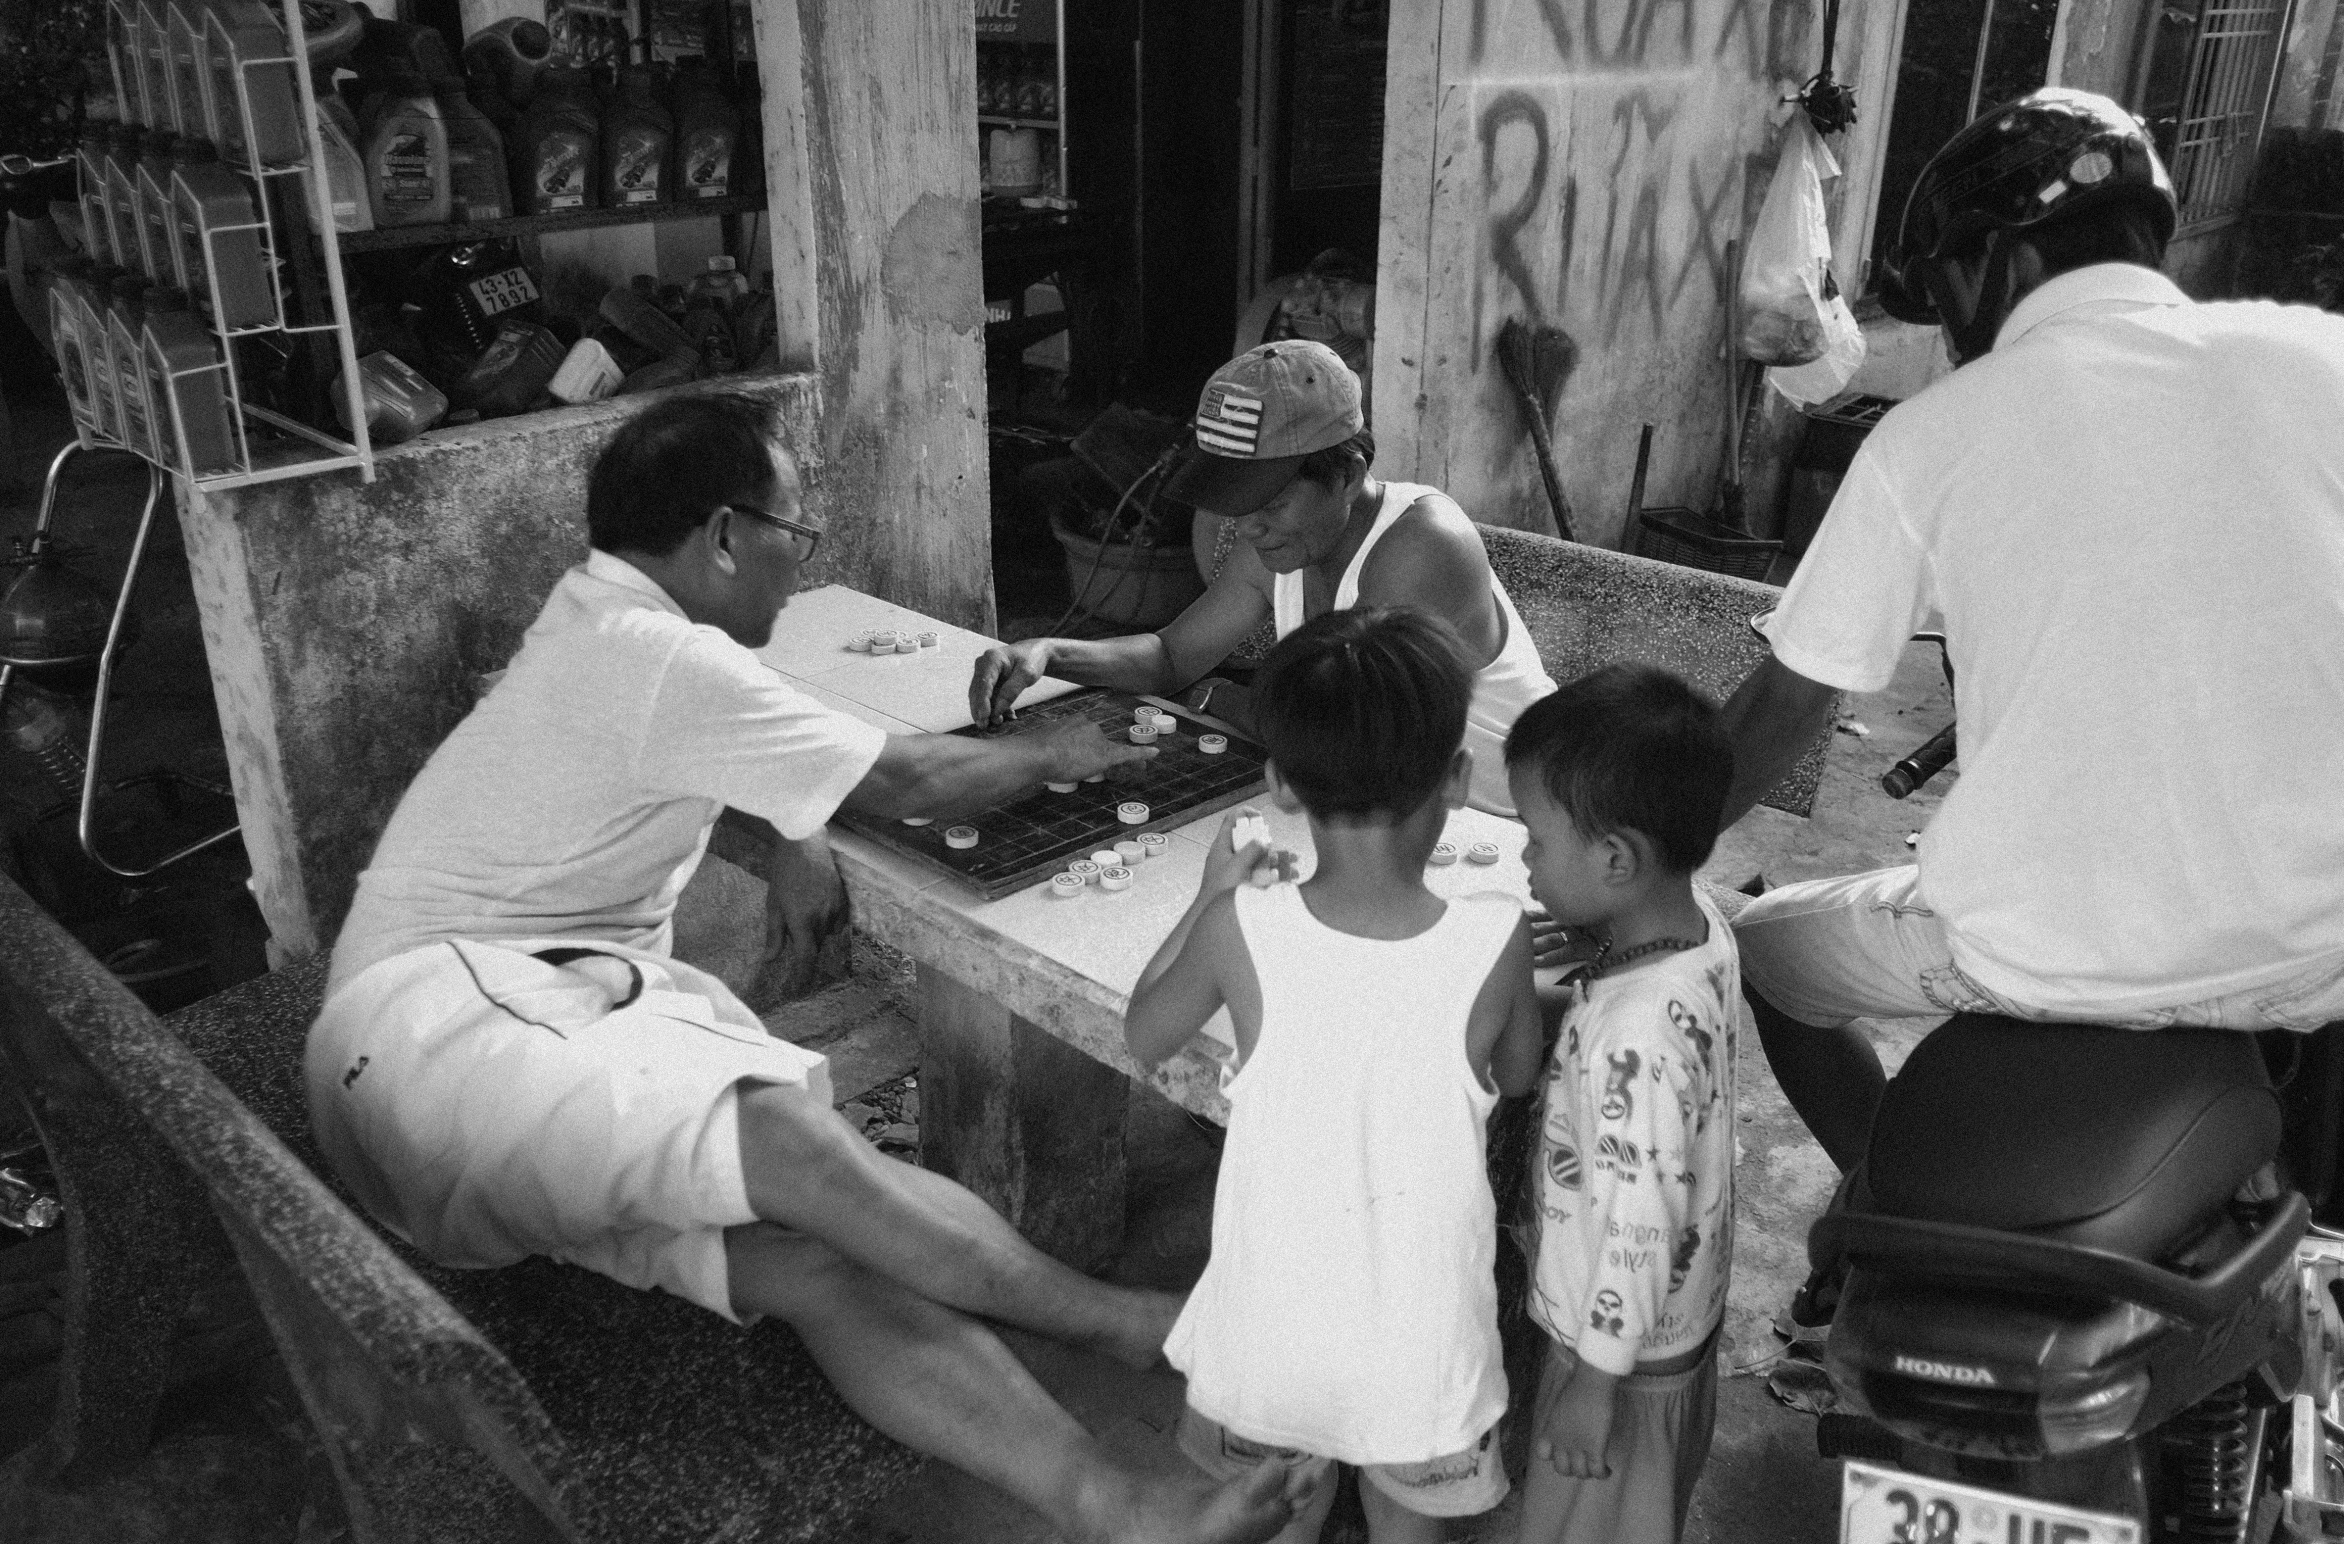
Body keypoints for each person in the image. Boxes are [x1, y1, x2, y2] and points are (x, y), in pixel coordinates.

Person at [306, 392, 1304, 1544]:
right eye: (794, 531)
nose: (798, 562)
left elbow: (712, 756)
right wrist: (1058, 747)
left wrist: (795, 832)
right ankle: (1131, 1327)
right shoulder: (653, 654)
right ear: (725, 533)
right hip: (439, 1029)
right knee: (782, 1133)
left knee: (818, 1263)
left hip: (479, 1058)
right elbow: (920, 781)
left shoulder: (605, 631)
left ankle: (1118, 1506)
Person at [1712, 88, 2344, 1179]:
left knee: (1764, 953)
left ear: (1985, 266)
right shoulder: (2319, 354)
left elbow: (1786, 706)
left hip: (2046, 958)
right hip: (2320, 952)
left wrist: (1649, 853)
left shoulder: (1931, 437)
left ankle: (1876, 1211)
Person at [1123, 606, 1544, 1544]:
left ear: (1278, 784)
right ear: (1460, 778)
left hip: (1271, 1343)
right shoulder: (1495, 935)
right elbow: (1517, 1075)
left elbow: (1147, 1033)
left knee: (1276, 1525)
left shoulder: (1246, 931)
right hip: (1421, 1355)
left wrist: (1208, 899)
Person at [970, 340, 1556, 816]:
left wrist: (1214, 694)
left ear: (1348, 475)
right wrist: (1047, 653)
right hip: (1393, 815)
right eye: (1237, 503)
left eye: (1269, 502)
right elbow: (1171, 656)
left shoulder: (1420, 546)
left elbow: (1344, 745)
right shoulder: (1282, 541)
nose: (1248, 528)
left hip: (1506, 824)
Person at [1504, 665, 1740, 1544]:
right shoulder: (1700, 925)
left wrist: (1592, 1385)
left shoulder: (1636, 1039)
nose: (1526, 860)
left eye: (1535, 840)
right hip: (1678, 1331)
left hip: (1620, 1364)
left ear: (1616, 862)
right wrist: (1599, 928)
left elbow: (1639, 1220)